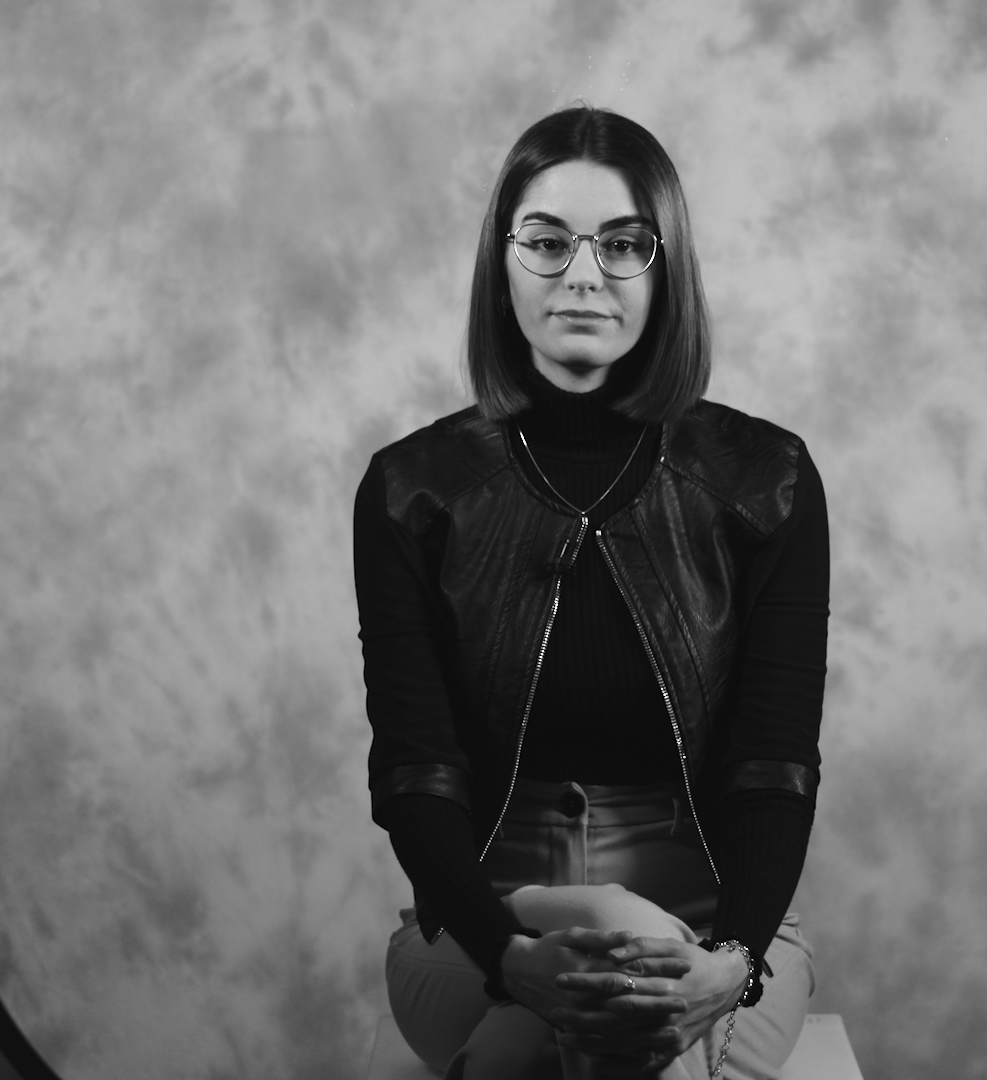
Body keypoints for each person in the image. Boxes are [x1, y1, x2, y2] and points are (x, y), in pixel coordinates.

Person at [355, 104, 829, 1079]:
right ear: (502, 263)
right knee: (617, 967)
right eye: (546, 241)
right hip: (480, 930)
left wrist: (731, 964)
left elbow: (772, 767)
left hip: (721, 931)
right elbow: (416, 772)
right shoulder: (413, 488)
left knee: (622, 994)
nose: (583, 274)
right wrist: (511, 955)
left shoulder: (765, 479)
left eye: (622, 243)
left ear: (665, 266)